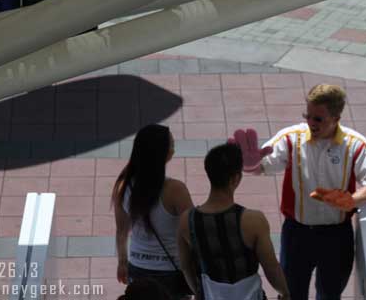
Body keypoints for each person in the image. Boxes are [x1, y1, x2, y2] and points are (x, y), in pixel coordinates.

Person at [232, 83, 366, 300]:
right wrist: (250, 165)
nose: (310, 123)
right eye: (308, 116)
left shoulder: (356, 144)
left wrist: (350, 200)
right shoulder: (291, 138)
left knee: (330, 295)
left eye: (318, 119)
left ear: (336, 118)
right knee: (291, 293)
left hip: (336, 236)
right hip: (297, 234)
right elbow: (262, 165)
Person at [178, 143, 290, 300]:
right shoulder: (253, 221)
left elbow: (185, 265)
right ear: (235, 178)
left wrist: (198, 292)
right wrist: (285, 292)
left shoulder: (187, 220)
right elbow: (271, 268)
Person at [112, 124, 194, 300]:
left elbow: (121, 231)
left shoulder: (123, 185)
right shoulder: (175, 190)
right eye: (172, 144)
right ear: (164, 154)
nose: (174, 148)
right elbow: (192, 232)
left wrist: (122, 262)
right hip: (171, 272)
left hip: (137, 267)